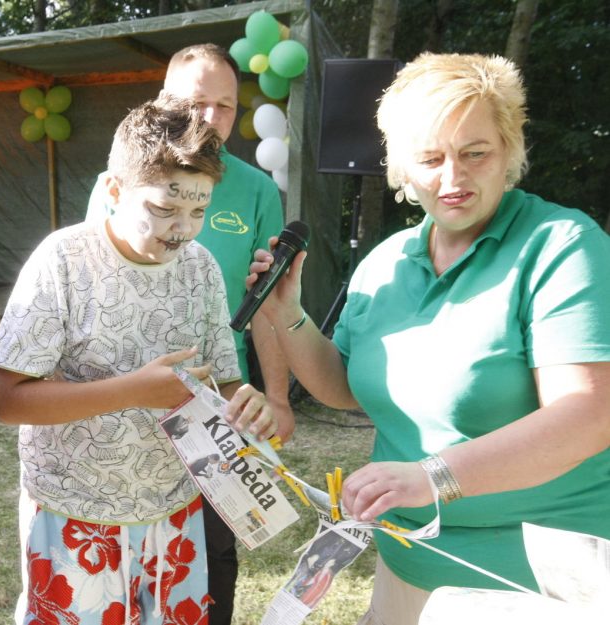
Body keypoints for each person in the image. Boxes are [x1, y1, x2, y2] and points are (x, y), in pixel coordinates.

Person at [248, 52, 610, 624]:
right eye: (430, 158)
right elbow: (344, 387)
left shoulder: (561, 244)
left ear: (510, 151)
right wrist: (287, 311)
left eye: (475, 153)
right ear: (402, 168)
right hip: (409, 562)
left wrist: (432, 476)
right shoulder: (385, 261)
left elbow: (589, 414)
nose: (452, 178)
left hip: (535, 579)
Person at [0, 95, 277, 625]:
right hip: (77, 514)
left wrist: (247, 405)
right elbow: (9, 401)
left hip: (174, 511)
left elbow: (226, 381)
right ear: (115, 190)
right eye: (164, 209)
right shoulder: (63, 260)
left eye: (198, 210)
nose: (183, 228)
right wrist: (133, 390)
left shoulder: (202, 268)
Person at [85, 43, 295, 624]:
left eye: (225, 106)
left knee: (210, 561)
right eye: (195, 103)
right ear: (163, 102)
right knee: (124, 566)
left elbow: (268, 304)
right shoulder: (129, 176)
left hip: (217, 408)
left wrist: (275, 397)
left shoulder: (256, 189)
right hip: (124, 414)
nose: (210, 119)